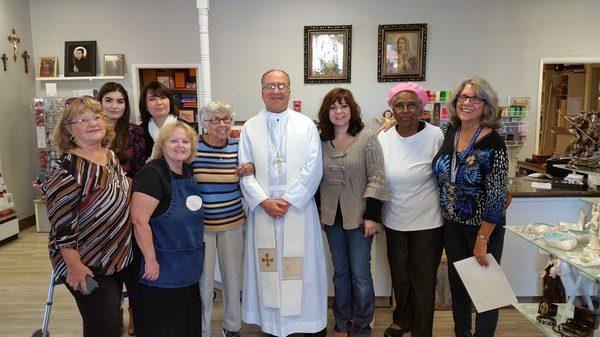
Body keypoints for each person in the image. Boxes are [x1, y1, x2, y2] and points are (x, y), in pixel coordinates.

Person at [238, 69, 327, 337]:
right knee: (269, 266)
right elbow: (243, 169)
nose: (276, 90)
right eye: (270, 85)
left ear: (290, 90)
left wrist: (288, 200)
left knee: (302, 269)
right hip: (263, 210)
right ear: (262, 90)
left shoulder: (306, 125)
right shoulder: (249, 127)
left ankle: (304, 323)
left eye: (281, 85)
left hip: (297, 210)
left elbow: (314, 168)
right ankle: (272, 324)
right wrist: (263, 201)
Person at [42, 96, 132, 337]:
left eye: (96, 117)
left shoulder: (110, 156)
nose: (93, 123)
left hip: (116, 256)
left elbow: (119, 191)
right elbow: (62, 228)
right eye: (83, 119)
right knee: (105, 327)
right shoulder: (65, 169)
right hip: (87, 263)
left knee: (111, 321)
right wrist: (74, 267)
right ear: (69, 130)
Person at [432, 77, 508, 337]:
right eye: (463, 97)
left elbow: (498, 196)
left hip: (482, 228)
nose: (467, 103)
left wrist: (483, 238)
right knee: (459, 287)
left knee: (485, 292)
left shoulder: (494, 142)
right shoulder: (449, 132)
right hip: (452, 224)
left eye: (475, 98)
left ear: (486, 106)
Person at [317, 88, 389, 337]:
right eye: (333, 107)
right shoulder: (321, 141)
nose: (339, 112)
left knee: (360, 275)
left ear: (352, 110)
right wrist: (319, 213)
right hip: (331, 218)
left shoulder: (367, 137)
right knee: (340, 274)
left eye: (344, 106)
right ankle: (341, 322)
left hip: (360, 218)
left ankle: (361, 326)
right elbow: (316, 180)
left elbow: (378, 178)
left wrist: (372, 215)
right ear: (327, 113)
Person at [378, 83, 444, 337]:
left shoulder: (435, 135)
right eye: (399, 105)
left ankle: (422, 329)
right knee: (400, 276)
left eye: (411, 105)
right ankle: (401, 319)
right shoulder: (384, 137)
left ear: (421, 107)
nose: (405, 110)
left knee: (423, 279)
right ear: (391, 108)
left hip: (428, 221)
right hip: (394, 219)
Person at [130, 121, 204, 337]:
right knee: (162, 326)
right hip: (160, 269)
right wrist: (151, 261)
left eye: (185, 141)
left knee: (186, 326)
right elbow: (139, 221)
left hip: (187, 267)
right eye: (174, 141)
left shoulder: (187, 172)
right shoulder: (152, 174)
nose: (180, 146)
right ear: (162, 145)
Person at [193, 101, 254, 337]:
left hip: (232, 223)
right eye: (215, 120)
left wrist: (251, 165)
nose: (222, 124)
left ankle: (232, 326)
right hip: (202, 227)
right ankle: (204, 329)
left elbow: (254, 163)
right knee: (204, 282)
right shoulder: (193, 148)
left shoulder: (239, 147)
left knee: (233, 278)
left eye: (226, 119)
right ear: (205, 124)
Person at [97, 82, 146, 177]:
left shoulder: (136, 132)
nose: (114, 106)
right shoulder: (91, 130)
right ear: (99, 103)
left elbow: (140, 171)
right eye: (108, 100)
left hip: (128, 188)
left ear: (125, 106)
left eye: (120, 101)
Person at [139, 81, 180, 158]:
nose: (159, 102)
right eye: (152, 99)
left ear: (170, 102)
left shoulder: (185, 127)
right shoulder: (140, 130)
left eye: (163, 97)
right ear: (146, 106)